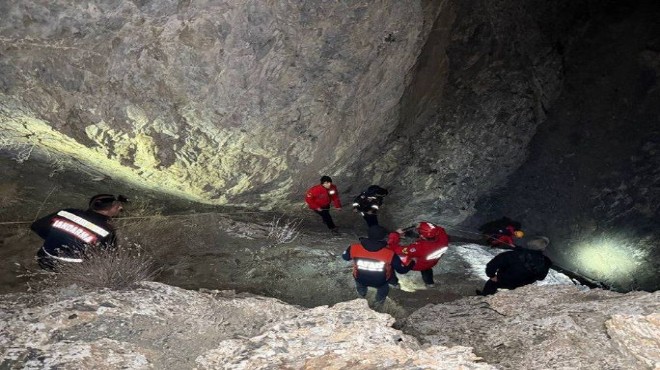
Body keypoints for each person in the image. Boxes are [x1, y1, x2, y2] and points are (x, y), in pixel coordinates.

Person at [31, 194, 128, 271]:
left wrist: (57, 237)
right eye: (118, 207)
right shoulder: (107, 231)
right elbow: (110, 258)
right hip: (69, 269)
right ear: (113, 209)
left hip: (43, 258)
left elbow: (36, 226)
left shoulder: (67, 212)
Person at [342, 225, 414, 306]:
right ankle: (379, 303)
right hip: (380, 282)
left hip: (360, 278)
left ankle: (361, 298)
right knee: (383, 289)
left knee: (360, 286)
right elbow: (401, 270)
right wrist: (411, 263)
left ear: (368, 234)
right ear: (383, 237)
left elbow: (345, 257)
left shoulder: (353, 248)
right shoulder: (389, 253)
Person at [476, 236, 553, 296]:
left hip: (504, 281)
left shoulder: (510, 255)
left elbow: (491, 266)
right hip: (524, 285)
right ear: (543, 248)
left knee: (491, 283)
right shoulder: (546, 261)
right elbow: (541, 277)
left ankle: (485, 296)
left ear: (528, 244)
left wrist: (492, 276)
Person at [388, 221, 449, 288]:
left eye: (419, 232)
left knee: (389, 259)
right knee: (427, 268)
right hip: (432, 261)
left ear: (422, 236)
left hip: (418, 264)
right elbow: (438, 228)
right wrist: (422, 226)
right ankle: (430, 284)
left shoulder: (419, 248)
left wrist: (395, 235)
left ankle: (394, 284)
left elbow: (395, 249)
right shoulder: (443, 236)